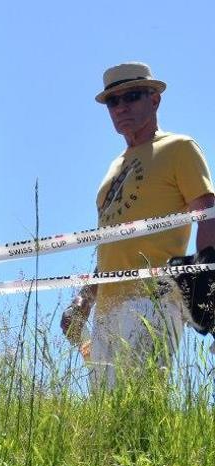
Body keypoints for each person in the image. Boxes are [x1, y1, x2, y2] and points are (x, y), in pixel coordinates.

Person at [60, 62, 215, 390]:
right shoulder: (113, 169)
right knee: (108, 413)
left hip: (154, 296)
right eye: (112, 102)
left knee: (140, 404)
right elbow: (112, 246)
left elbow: (207, 213)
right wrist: (85, 300)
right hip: (107, 307)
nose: (121, 107)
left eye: (131, 96)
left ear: (155, 99)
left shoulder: (179, 148)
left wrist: (208, 285)